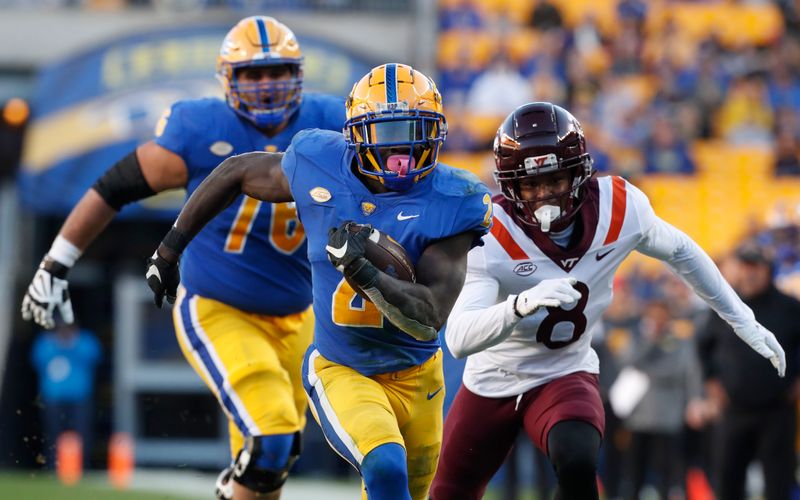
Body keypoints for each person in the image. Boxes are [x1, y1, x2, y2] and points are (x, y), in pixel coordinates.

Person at [20, 16, 345, 500]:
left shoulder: (332, 121)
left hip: (301, 317)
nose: (266, 84)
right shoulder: (201, 128)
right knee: (272, 436)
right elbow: (113, 188)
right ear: (228, 79)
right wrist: (55, 263)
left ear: (297, 72)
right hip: (221, 308)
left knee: (271, 464)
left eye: (276, 70)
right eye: (252, 74)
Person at [144, 63, 492, 500]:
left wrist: (364, 272)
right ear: (356, 134)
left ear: (434, 131)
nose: (398, 146)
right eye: (383, 132)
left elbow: (428, 318)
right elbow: (235, 171)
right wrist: (170, 248)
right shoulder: (318, 162)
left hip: (420, 374)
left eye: (411, 129)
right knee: (385, 467)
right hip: (343, 367)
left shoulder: (454, 200)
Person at [428, 102, 786, 500]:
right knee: (449, 491)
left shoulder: (620, 206)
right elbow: (459, 338)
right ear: (511, 187)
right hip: (492, 379)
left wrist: (743, 320)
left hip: (563, 371)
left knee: (578, 459)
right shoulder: (491, 234)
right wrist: (519, 306)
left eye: (555, 179)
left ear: (578, 172)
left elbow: (682, 252)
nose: (544, 195)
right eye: (531, 185)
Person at [697, 241, 800, 500]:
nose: (750, 273)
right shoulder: (725, 305)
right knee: (728, 482)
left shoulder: (790, 307)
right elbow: (703, 346)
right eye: (745, 266)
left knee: (778, 483)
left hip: (777, 410)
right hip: (734, 410)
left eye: (757, 267)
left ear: (769, 270)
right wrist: (711, 383)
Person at [30, 315, 101, 469]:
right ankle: (52, 466)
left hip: (79, 398)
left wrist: (71, 344)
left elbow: (95, 356)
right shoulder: (46, 343)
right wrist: (60, 344)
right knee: (53, 435)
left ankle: (81, 467)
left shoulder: (84, 341)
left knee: (82, 435)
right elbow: (36, 360)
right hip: (53, 399)